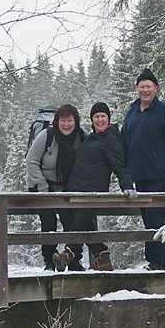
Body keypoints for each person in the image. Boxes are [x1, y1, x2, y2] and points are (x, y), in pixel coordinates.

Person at [121, 68, 165, 270]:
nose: (145, 90)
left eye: (148, 86)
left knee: (155, 216)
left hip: (159, 173)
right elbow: (125, 141)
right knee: (148, 217)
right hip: (139, 175)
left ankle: (156, 261)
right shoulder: (132, 112)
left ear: (156, 89)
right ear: (137, 89)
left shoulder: (164, 111)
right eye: (142, 86)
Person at [60, 102, 137, 272]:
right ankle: (102, 256)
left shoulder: (111, 138)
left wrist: (127, 185)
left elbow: (119, 165)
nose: (100, 119)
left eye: (103, 116)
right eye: (96, 117)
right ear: (92, 120)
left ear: (108, 119)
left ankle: (67, 254)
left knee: (79, 225)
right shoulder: (91, 138)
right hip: (76, 189)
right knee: (83, 225)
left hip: (94, 191)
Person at [25, 104, 86, 271]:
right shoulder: (46, 136)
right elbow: (31, 161)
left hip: (67, 186)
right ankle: (49, 262)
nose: (66, 124)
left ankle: (72, 260)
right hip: (42, 184)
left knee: (71, 223)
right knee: (48, 222)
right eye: (63, 120)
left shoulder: (81, 137)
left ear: (76, 121)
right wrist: (42, 185)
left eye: (70, 120)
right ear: (57, 121)